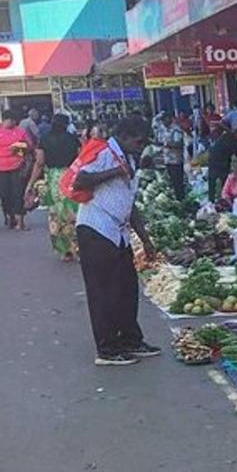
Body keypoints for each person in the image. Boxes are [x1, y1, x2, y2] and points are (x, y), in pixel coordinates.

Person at [72, 116, 159, 366]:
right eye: (138, 141)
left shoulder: (130, 158)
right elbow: (81, 180)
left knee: (126, 288)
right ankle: (107, 348)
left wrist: (146, 240)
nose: (141, 146)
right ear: (124, 136)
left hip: (118, 232)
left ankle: (130, 339)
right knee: (104, 292)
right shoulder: (104, 152)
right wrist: (114, 172)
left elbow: (130, 204)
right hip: (96, 228)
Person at [25, 113, 82, 259]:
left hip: (54, 180)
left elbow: (39, 163)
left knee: (55, 215)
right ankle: (78, 248)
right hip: (71, 178)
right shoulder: (72, 139)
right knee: (74, 213)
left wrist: (30, 184)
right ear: (66, 124)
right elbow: (81, 159)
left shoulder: (44, 140)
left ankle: (65, 252)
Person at [0, 110, 31, 229]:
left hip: (17, 167)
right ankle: (9, 216)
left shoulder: (20, 132)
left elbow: (29, 147)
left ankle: (20, 221)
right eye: (11, 121)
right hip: (1, 169)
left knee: (18, 193)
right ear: (5, 120)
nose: (13, 123)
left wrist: (17, 149)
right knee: (5, 194)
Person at [157, 108, 187, 200]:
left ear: (169, 118)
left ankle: (181, 200)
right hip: (168, 160)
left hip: (176, 160)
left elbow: (179, 144)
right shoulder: (165, 130)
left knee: (178, 183)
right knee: (173, 183)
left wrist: (168, 145)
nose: (162, 122)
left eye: (164, 119)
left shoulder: (176, 130)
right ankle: (178, 199)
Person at [206, 121, 237, 204]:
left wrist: (222, 125)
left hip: (223, 165)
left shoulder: (227, 138)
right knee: (212, 185)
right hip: (213, 164)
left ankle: (223, 202)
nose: (213, 131)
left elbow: (233, 136)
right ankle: (211, 202)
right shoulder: (212, 138)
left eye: (216, 129)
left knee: (224, 186)